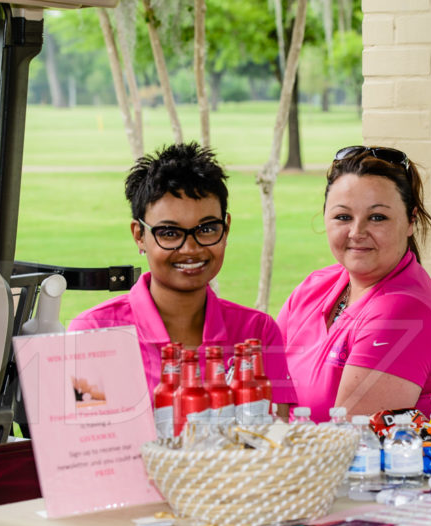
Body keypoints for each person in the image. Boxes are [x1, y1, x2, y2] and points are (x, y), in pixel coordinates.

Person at [69, 142, 295, 415]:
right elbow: (88, 448)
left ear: (226, 229)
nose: (191, 249)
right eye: (169, 233)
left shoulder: (257, 333)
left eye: (207, 228)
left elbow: (275, 441)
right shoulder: (94, 331)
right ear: (139, 235)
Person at [277, 145, 431, 421]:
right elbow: (259, 389)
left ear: (411, 221)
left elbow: (347, 442)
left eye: (377, 217)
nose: (357, 232)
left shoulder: (403, 309)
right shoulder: (314, 287)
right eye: (343, 217)